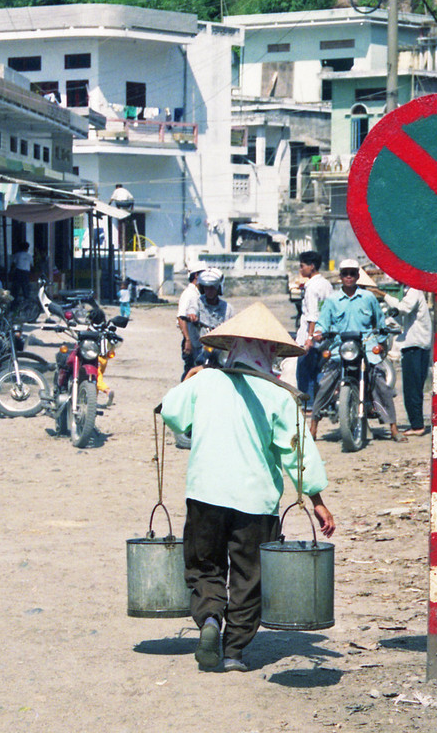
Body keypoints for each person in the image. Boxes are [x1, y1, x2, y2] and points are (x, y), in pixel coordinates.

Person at [159, 302, 336, 673]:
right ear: (270, 352)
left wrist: (193, 379)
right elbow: (296, 451)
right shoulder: (278, 395)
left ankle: (209, 618)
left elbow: (171, 410)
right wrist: (317, 500)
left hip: (205, 492)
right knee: (248, 573)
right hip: (256, 501)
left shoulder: (207, 380)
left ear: (232, 347)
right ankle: (234, 651)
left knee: (205, 565)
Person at [311, 259, 403, 443]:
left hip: (366, 348)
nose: (349, 277)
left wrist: (382, 339)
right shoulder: (332, 300)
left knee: (380, 385)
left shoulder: (368, 298)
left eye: (352, 273)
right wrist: (319, 333)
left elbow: (380, 322)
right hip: (341, 349)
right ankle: (312, 427)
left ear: (358, 276)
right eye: (345, 273)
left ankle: (393, 428)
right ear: (340, 276)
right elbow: (322, 323)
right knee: (324, 384)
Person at [383, 286, 433, 436]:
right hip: (419, 343)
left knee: (412, 387)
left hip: (414, 344)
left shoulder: (414, 290)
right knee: (415, 386)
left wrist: (383, 296)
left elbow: (403, 308)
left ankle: (417, 425)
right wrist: (383, 295)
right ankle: (416, 423)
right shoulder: (413, 291)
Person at [293, 251, 333, 411]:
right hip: (324, 334)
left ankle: (309, 405)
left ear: (312, 266)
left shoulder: (312, 287)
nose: (300, 269)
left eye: (302, 266)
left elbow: (313, 315)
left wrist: (309, 337)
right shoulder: (326, 284)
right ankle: (323, 403)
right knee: (320, 371)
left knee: (305, 371)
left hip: (312, 335)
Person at [185, 268, 234, 367]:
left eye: (212, 288)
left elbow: (233, 325)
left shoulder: (227, 308)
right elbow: (192, 309)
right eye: (206, 288)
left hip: (220, 349)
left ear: (218, 288)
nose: (209, 291)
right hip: (201, 348)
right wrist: (192, 315)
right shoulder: (197, 302)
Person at [177, 265, 206, 379]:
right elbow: (181, 317)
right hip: (190, 337)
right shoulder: (189, 293)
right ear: (196, 275)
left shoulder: (198, 293)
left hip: (197, 336)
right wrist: (188, 340)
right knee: (190, 370)